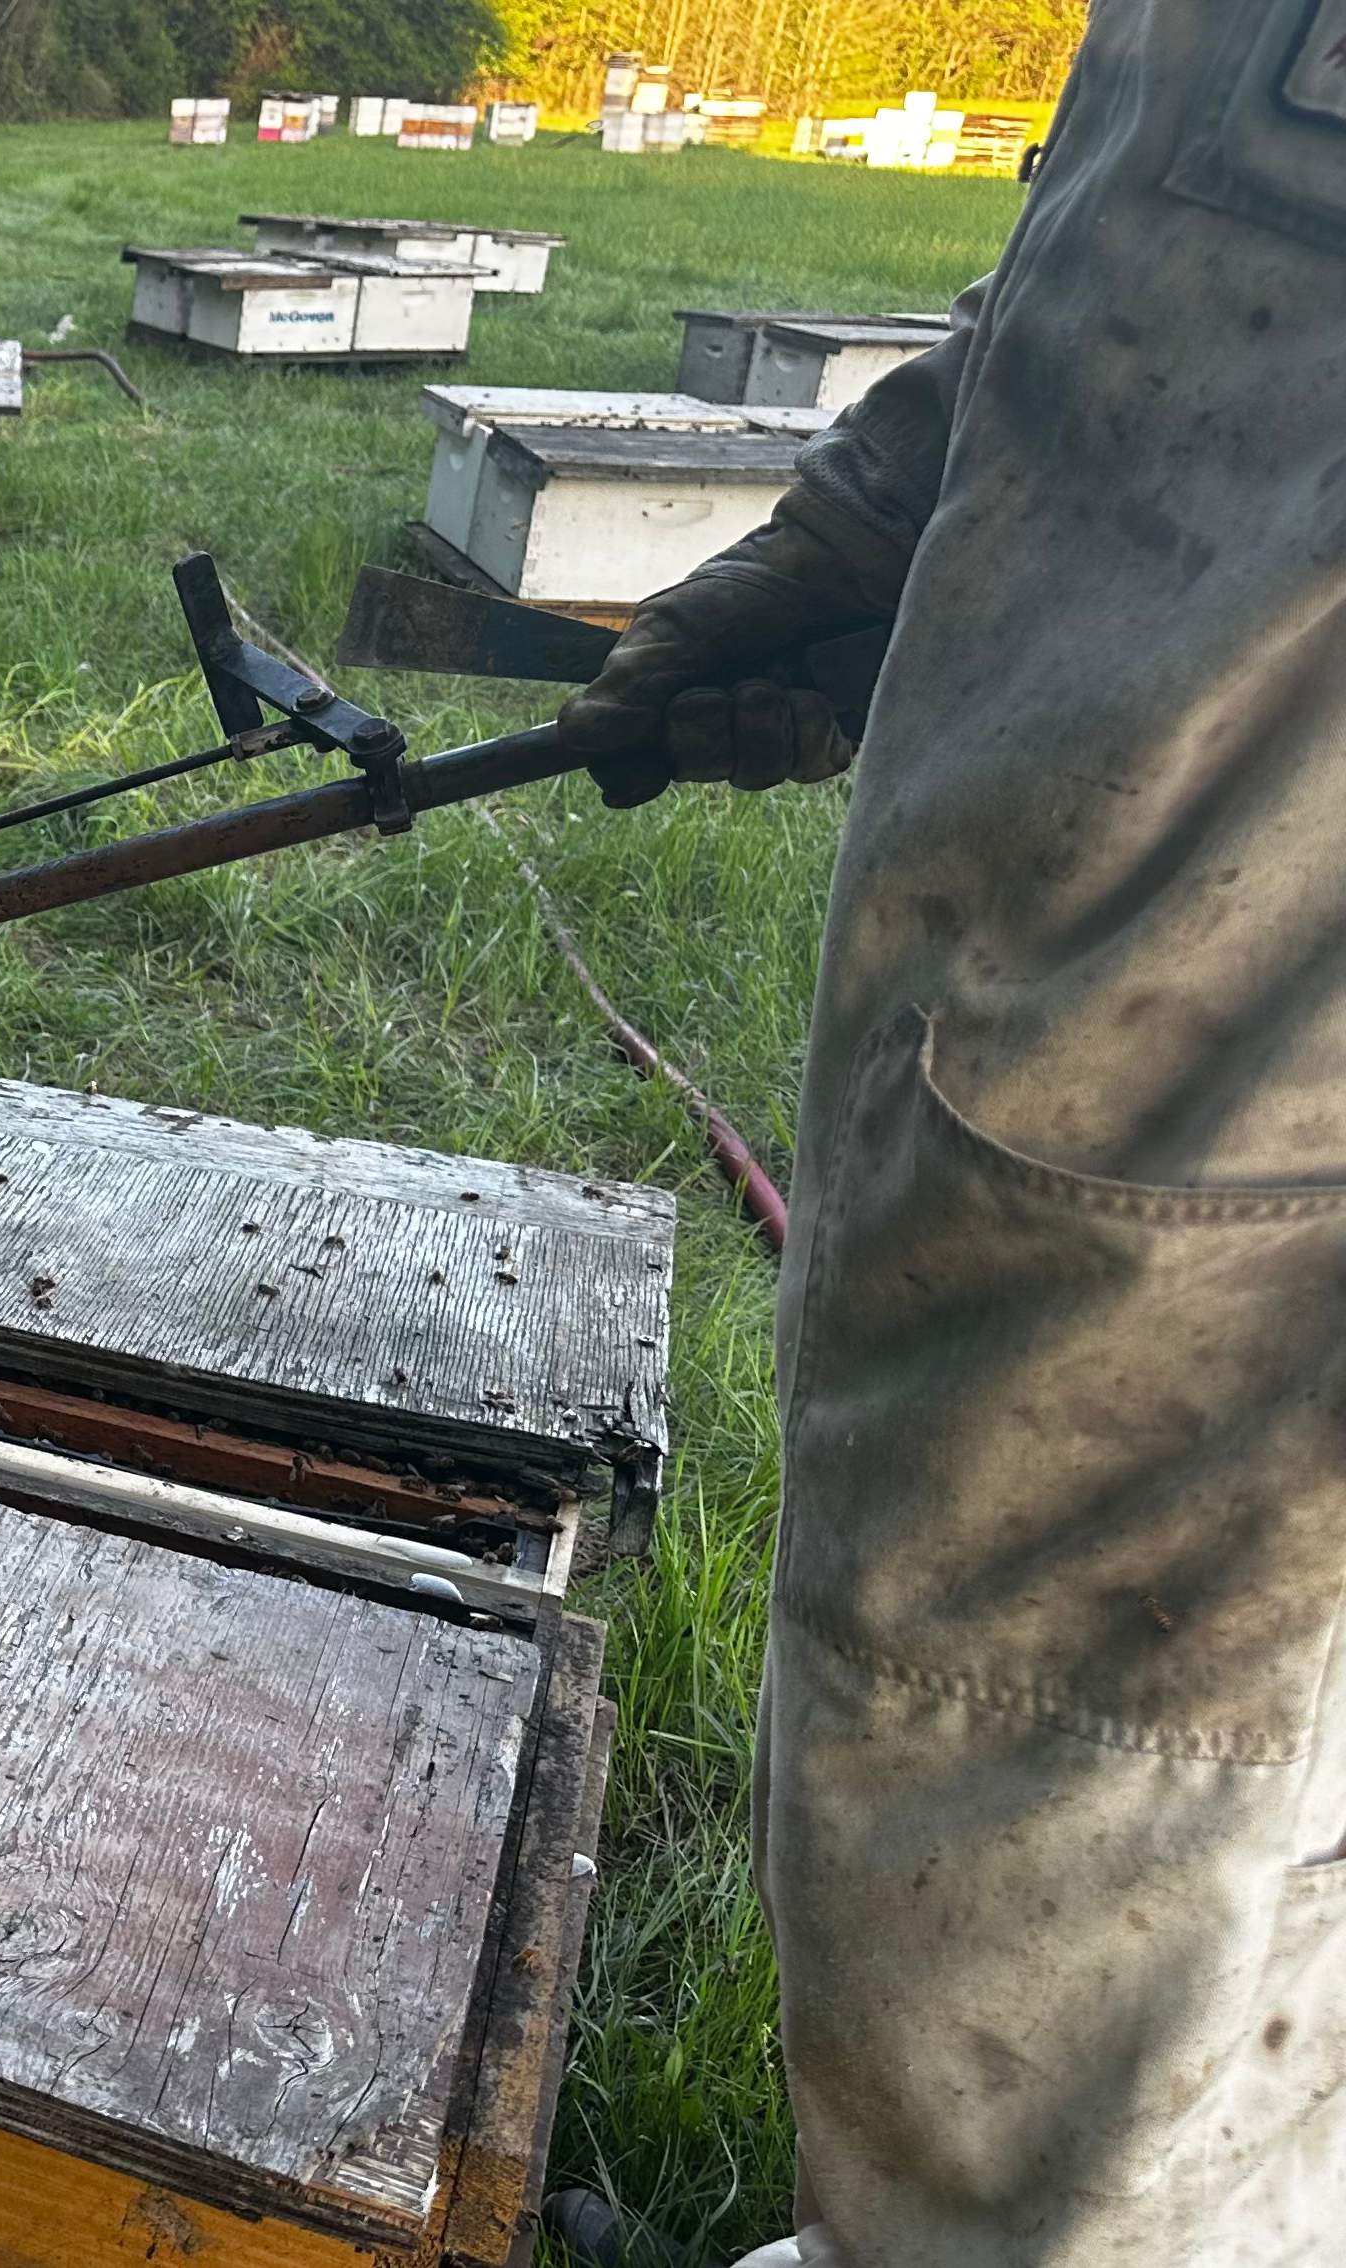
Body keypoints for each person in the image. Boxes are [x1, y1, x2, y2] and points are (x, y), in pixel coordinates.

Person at [553, 4, 1346, 2263]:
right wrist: (879, 511)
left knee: (1099, 1767)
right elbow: (1169, 212)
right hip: (1127, 915)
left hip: (1253, 983)